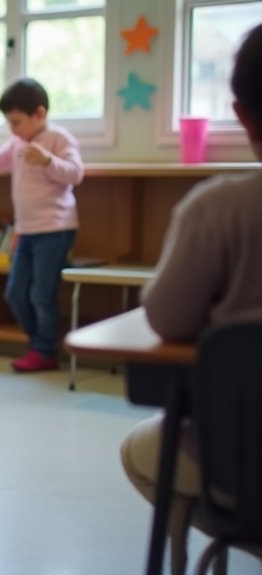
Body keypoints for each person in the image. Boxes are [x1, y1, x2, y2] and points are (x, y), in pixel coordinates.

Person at [120, 23, 262, 573]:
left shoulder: (219, 209)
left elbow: (167, 317)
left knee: (141, 450)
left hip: (243, 457)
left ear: (242, 114)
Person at [0, 78, 84, 372]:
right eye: (9, 123)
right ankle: (38, 343)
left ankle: (45, 350)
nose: (12, 129)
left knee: (42, 293)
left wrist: (48, 160)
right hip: (26, 229)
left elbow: (75, 174)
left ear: (39, 114)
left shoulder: (57, 138)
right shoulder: (18, 142)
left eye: (16, 122)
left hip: (55, 228)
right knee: (15, 292)